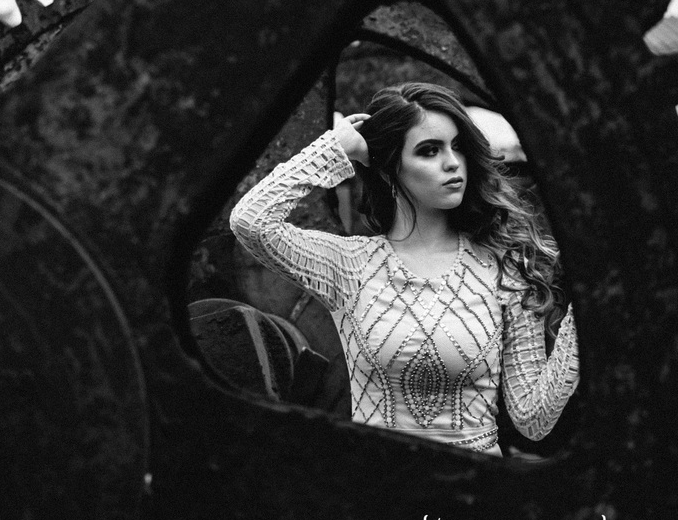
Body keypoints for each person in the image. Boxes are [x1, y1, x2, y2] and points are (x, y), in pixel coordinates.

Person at [229, 82, 578, 455]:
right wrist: (334, 148)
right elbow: (251, 222)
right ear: (389, 169)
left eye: (458, 146)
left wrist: (584, 309)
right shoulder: (349, 266)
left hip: (475, 481)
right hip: (381, 481)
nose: (452, 162)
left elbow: (533, 420)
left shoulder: (505, 267)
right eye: (429, 150)